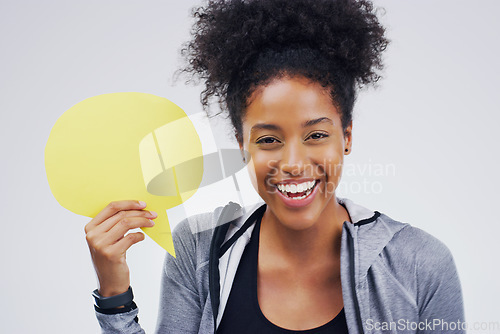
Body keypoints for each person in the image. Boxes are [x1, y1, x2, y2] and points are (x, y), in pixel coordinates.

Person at [85, 0, 465, 333]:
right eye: (268, 140)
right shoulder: (199, 250)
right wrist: (114, 294)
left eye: (316, 135)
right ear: (242, 145)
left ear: (346, 136)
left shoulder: (420, 264)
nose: (294, 164)